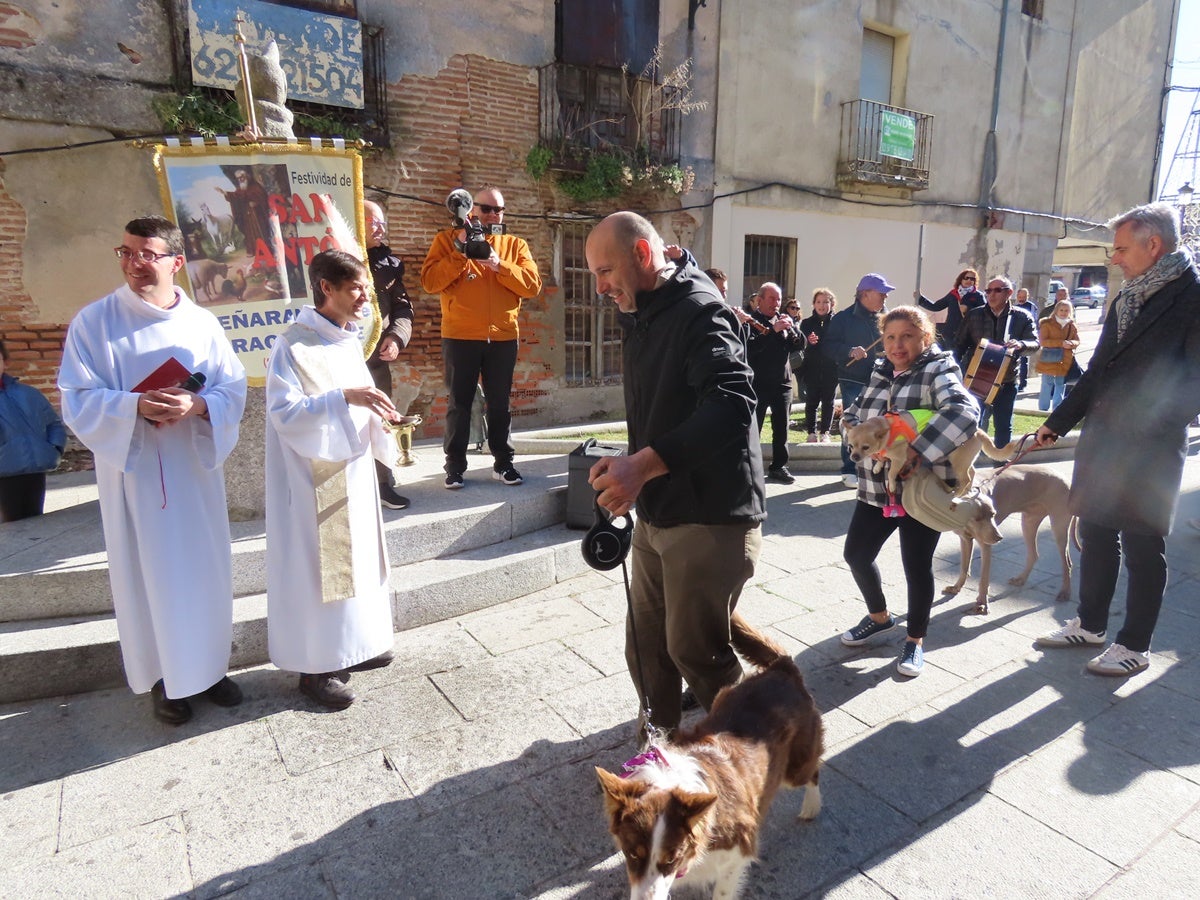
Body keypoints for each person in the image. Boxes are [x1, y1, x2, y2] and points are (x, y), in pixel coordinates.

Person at [57, 215, 247, 724]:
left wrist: (200, 407)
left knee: (205, 568)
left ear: (176, 262)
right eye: (126, 253)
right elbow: (76, 398)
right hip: (136, 475)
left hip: (193, 469)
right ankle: (167, 680)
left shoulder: (203, 323)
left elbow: (231, 386)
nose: (135, 263)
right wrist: (133, 408)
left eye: (148, 253)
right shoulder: (94, 323)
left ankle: (210, 669)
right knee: (152, 576)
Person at [584, 211, 765, 738]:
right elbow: (670, 404)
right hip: (658, 512)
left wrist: (641, 464)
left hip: (711, 517)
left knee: (696, 653)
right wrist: (629, 463)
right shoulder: (647, 301)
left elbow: (733, 404)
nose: (599, 287)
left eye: (604, 271)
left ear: (643, 255)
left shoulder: (701, 311)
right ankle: (661, 744)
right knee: (645, 644)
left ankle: (751, 756)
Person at [1034, 202, 1200, 676]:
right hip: (1103, 444)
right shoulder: (1128, 297)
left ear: (1154, 245)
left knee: (1144, 546)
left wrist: (1143, 425)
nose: (1114, 259)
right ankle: (1090, 624)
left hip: (1148, 450)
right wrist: (1056, 422)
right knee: (1096, 532)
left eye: (1122, 249)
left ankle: (1135, 646)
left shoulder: (1193, 296)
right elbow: (1096, 372)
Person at [264, 250, 401, 709]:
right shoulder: (295, 345)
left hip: (355, 469)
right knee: (321, 570)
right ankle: (316, 668)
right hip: (314, 479)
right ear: (327, 288)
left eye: (366, 287)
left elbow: (361, 400)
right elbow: (285, 413)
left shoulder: (345, 339)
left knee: (360, 558)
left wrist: (383, 416)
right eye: (356, 288)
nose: (366, 297)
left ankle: (356, 645)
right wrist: (344, 397)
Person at [838, 306, 980, 677]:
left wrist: (920, 448)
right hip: (876, 488)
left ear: (925, 338)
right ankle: (880, 616)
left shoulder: (938, 369)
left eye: (907, 336)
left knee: (917, 567)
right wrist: (853, 432)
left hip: (919, 490)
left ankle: (915, 640)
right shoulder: (879, 370)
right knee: (856, 554)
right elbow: (853, 416)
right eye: (890, 337)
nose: (897, 345)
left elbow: (965, 412)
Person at [420, 186, 542, 489]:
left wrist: (499, 265)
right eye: (486, 209)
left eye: (498, 210)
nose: (492, 215)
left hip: (502, 337)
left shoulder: (515, 245)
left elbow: (532, 286)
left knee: (500, 403)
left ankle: (504, 464)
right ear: (471, 210)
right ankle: (455, 467)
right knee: (459, 403)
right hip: (460, 336)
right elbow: (430, 283)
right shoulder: (446, 241)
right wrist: (460, 251)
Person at [363, 198, 415, 510]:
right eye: (374, 222)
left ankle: (384, 484)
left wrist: (396, 337)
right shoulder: (341, 260)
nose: (381, 228)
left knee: (383, 420)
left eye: (383, 222)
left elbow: (402, 307)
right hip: (343, 357)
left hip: (376, 361)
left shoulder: (388, 265)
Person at [824, 274, 895, 487]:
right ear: (865, 294)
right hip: (853, 379)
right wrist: (849, 351)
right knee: (853, 425)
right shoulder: (843, 318)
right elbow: (827, 347)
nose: (885, 297)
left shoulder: (888, 318)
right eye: (881, 293)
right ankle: (849, 469)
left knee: (880, 425)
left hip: (882, 380)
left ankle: (879, 466)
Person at [957, 276, 1038, 449]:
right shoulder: (974, 314)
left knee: (1003, 426)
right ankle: (974, 466)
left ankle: (1001, 468)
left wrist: (1021, 344)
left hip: (1006, 382)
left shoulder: (1022, 317)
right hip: (976, 381)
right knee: (974, 424)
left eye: (997, 290)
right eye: (988, 291)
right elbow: (959, 345)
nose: (991, 295)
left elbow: (1035, 344)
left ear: (1009, 293)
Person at [0, 340, 66, 522]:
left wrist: (54, 448)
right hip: (4, 476)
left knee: (36, 522)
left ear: (5, 362)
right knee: (11, 529)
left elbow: (54, 423)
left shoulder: (28, 394)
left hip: (34, 471)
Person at [745, 282, 801, 484]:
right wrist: (772, 329)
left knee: (782, 427)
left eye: (778, 299)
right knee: (754, 426)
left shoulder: (783, 319)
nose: (776, 303)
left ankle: (779, 466)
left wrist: (793, 327)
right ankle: (750, 466)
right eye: (771, 299)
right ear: (759, 300)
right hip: (759, 383)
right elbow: (750, 349)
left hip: (783, 383)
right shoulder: (750, 322)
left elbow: (799, 344)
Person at [800, 288, 838, 443]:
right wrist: (808, 342)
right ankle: (811, 432)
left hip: (831, 369)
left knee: (829, 401)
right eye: (818, 302)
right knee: (811, 401)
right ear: (813, 304)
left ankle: (825, 433)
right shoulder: (806, 323)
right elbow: (799, 346)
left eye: (825, 302)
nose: (822, 305)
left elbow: (840, 343)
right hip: (812, 368)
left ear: (832, 304)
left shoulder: (837, 322)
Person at [917, 267, 979, 353]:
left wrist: (968, 309)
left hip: (967, 335)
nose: (969, 280)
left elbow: (983, 312)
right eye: (966, 278)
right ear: (961, 280)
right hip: (950, 334)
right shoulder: (953, 294)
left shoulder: (978, 296)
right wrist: (920, 298)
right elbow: (936, 306)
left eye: (972, 279)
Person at [1035, 299, 1080, 411]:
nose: (1064, 312)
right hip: (1049, 357)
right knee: (1047, 383)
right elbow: (1043, 341)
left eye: (1066, 310)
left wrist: (1071, 343)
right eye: (1061, 310)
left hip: (1065, 358)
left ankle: (1057, 408)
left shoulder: (1072, 325)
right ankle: (1043, 408)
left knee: (1061, 383)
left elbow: (1077, 340)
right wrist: (1061, 343)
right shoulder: (1047, 324)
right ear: (1056, 311)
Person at [1013, 287, 1040, 390]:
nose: (1021, 299)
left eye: (1023, 297)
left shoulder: (1032, 307)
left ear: (1027, 297)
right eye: (1019, 297)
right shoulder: (1014, 307)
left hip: (1026, 338)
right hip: (1015, 337)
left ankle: (1022, 383)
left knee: (1024, 361)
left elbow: (1034, 321)